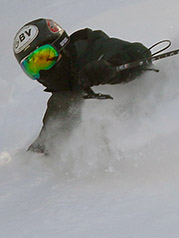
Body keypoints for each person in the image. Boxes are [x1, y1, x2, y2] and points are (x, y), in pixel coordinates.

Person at [13, 18, 155, 154]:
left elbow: (139, 53)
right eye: (32, 67)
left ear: (61, 46)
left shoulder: (93, 50)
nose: (42, 71)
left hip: (152, 124)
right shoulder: (61, 100)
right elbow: (45, 148)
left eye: (45, 58)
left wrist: (111, 67)